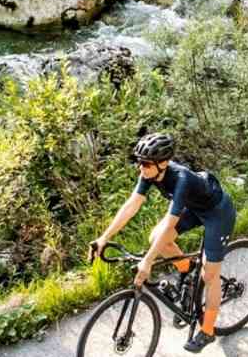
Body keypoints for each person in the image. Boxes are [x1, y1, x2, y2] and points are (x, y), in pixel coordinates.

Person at [90, 131, 236, 353]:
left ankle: (207, 330)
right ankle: (187, 269)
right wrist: (104, 237)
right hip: (196, 208)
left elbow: (170, 223)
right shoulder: (149, 173)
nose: (141, 167)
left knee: (210, 274)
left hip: (218, 212)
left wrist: (148, 261)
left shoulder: (181, 179)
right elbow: (131, 205)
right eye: (139, 162)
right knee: (155, 237)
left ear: (164, 163)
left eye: (146, 163)